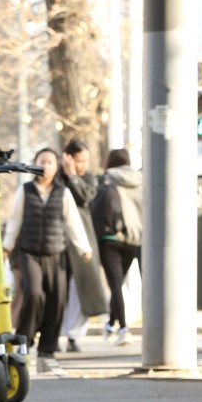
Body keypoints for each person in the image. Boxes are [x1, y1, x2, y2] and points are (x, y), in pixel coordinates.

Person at [2, 147, 92, 364]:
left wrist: (83, 247)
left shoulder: (63, 192)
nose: (45, 166)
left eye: (50, 162)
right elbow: (15, 220)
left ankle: (48, 347)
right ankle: (25, 340)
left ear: (57, 166)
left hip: (56, 253)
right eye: (41, 161)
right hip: (29, 253)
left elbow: (73, 223)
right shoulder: (25, 191)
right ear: (34, 164)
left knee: (57, 299)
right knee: (33, 294)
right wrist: (7, 246)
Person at [89, 148, 143, 346]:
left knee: (115, 284)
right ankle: (112, 324)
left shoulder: (106, 179)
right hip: (134, 238)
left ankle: (123, 328)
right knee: (117, 284)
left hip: (109, 238)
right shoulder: (140, 180)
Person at [58, 139, 108, 352]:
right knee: (60, 289)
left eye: (86, 160)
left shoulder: (87, 178)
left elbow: (85, 197)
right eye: (79, 161)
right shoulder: (55, 178)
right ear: (68, 158)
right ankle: (53, 335)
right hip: (59, 240)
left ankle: (73, 336)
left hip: (82, 239)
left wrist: (73, 176)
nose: (83, 165)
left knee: (82, 290)